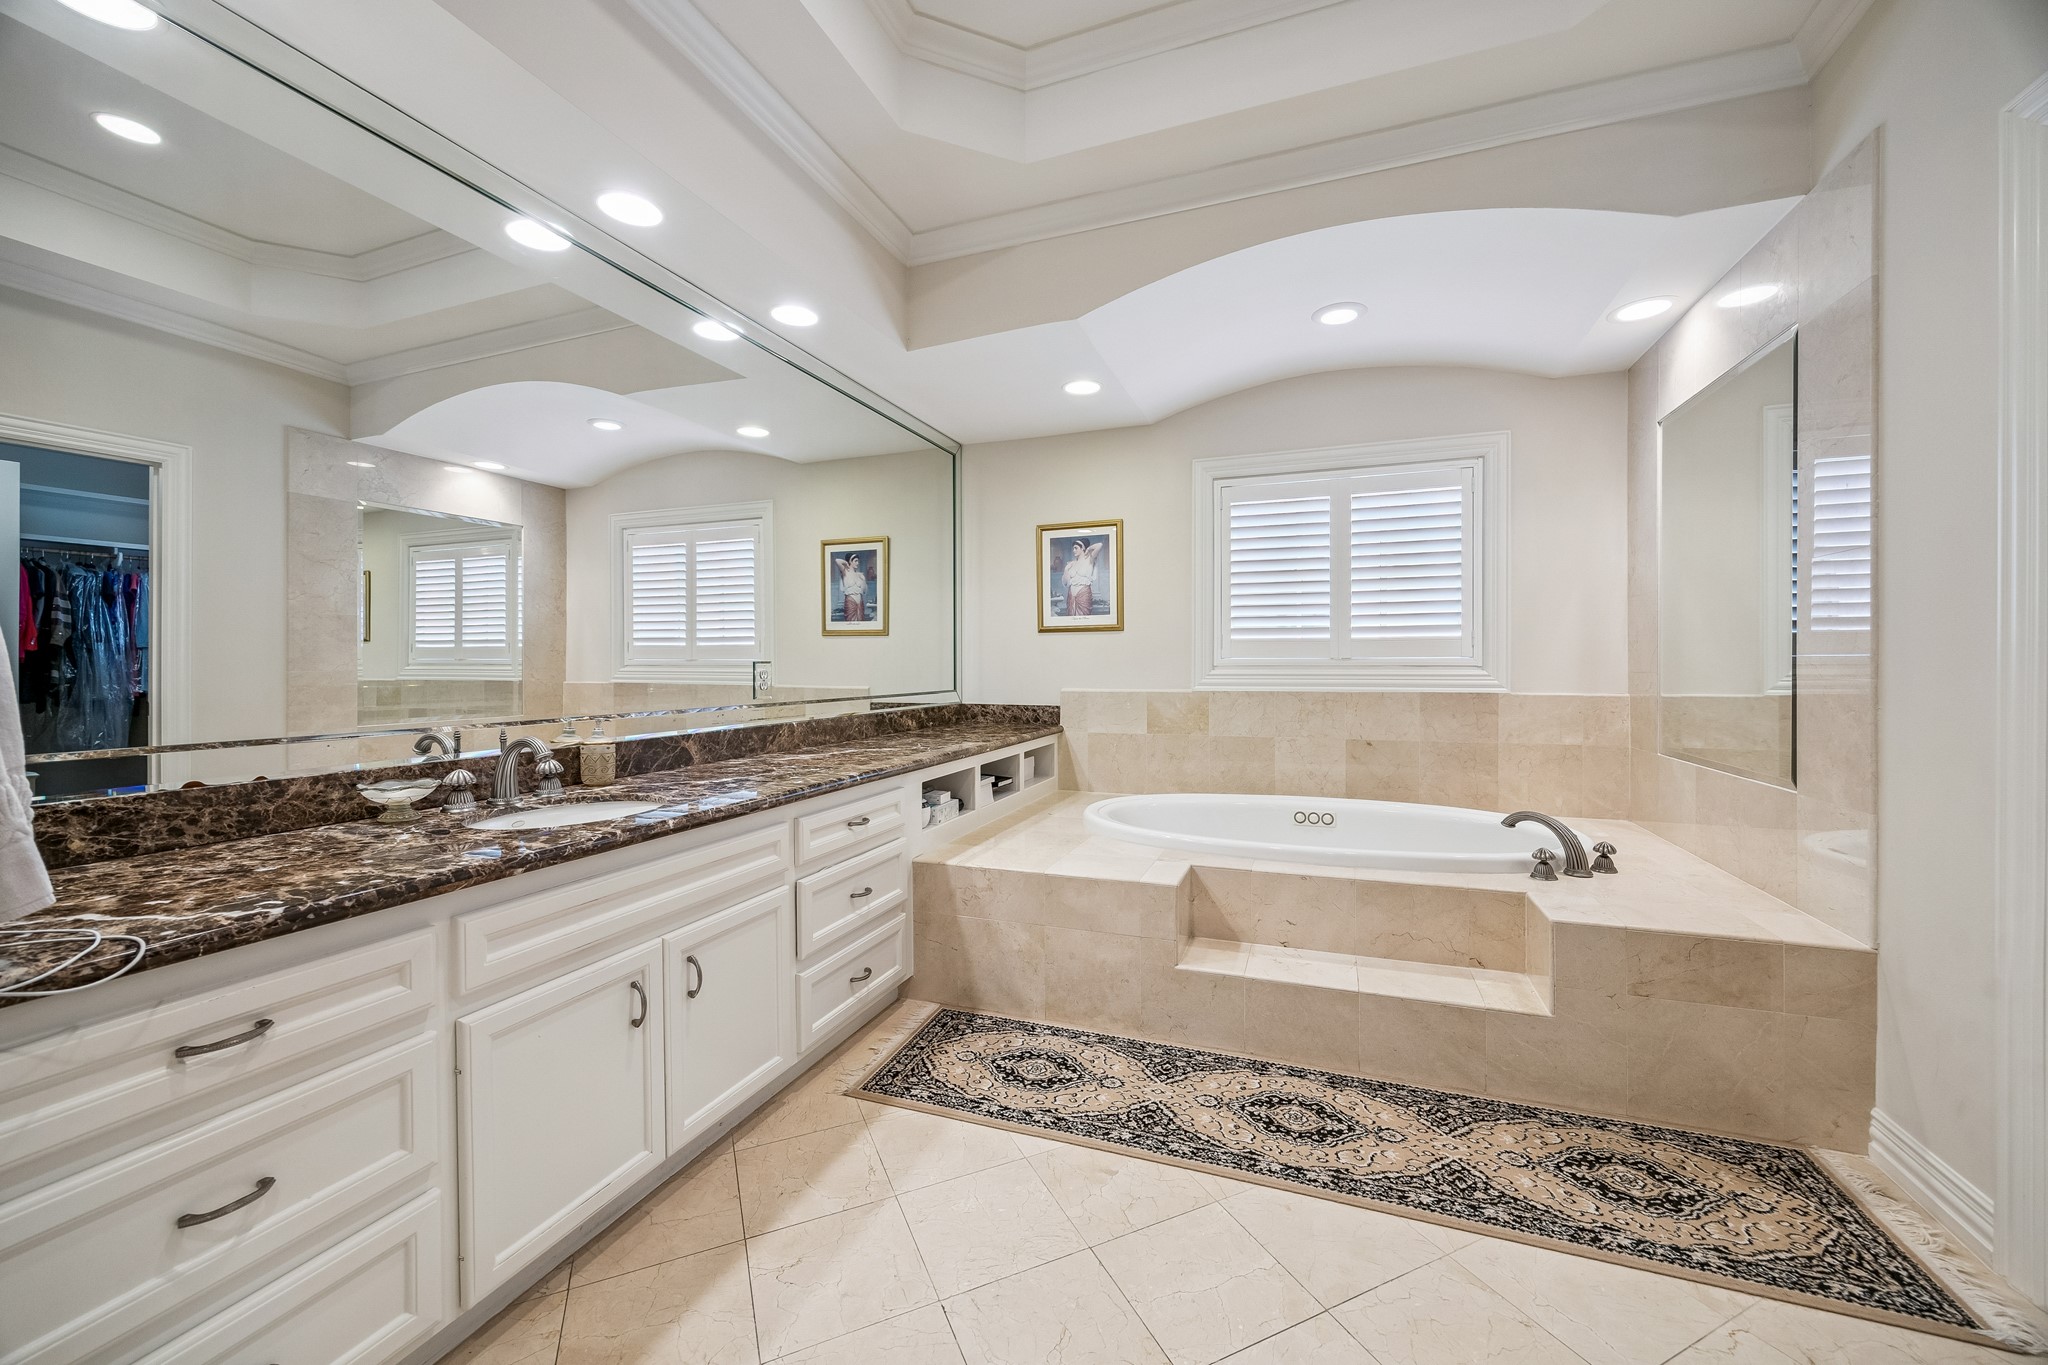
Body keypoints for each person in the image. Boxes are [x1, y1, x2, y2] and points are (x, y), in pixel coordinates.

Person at [1062, 538, 1102, 616]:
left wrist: (1088, 549)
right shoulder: (1072, 564)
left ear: (1082, 548)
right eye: (1073, 548)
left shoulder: (1090, 559)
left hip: (1083, 595)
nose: (1073, 550)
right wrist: (1066, 570)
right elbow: (1066, 582)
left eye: (1076, 548)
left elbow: (1100, 545)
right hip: (1071, 596)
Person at [833, 551, 868, 622]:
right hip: (850, 602)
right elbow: (837, 561)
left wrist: (863, 580)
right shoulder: (845, 572)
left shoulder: (859, 575)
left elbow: (864, 591)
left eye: (858, 561)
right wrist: (847, 564)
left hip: (860, 603)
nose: (857, 563)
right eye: (855, 561)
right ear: (850, 561)